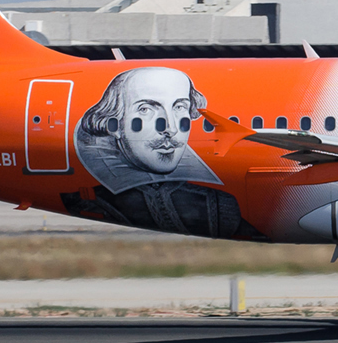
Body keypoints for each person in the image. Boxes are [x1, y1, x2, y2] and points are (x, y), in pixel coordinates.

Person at [65, 67, 252, 238]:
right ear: (114, 125)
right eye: (145, 109)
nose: (170, 128)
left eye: (179, 107)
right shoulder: (87, 202)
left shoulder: (222, 204)